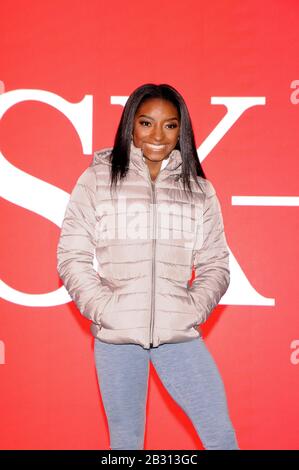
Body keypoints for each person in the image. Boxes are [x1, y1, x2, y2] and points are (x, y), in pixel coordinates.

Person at [56, 83, 240, 450]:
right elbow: (71, 256)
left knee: (221, 436)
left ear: (181, 132)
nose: (158, 135)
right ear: (130, 127)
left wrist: (191, 308)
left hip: (177, 336)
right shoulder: (97, 179)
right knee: (126, 444)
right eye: (146, 123)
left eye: (170, 125)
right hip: (117, 338)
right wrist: (106, 309)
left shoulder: (199, 191)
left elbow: (216, 263)